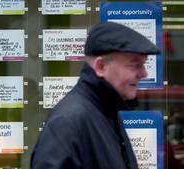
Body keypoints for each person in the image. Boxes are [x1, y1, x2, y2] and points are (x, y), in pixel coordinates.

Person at [30, 22, 160, 169]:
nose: (144, 73)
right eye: (134, 65)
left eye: (143, 64)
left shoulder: (105, 111)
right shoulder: (68, 122)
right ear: (100, 66)